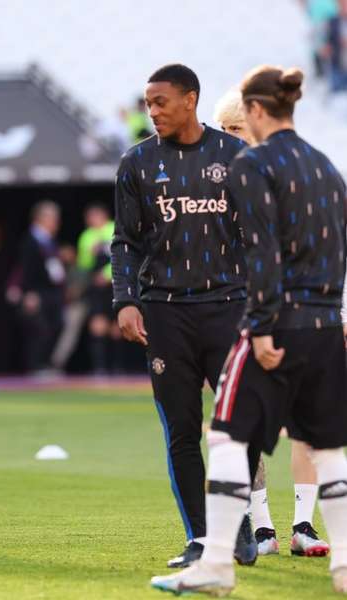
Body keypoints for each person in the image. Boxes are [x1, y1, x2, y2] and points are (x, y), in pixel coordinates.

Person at [150, 65, 347, 596]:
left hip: (275, 321)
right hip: (327, 324)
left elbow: (261, 254)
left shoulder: (254, 164)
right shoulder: (326, 167)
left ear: (256, 111)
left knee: (227, 435)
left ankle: (216, 560)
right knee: (328, 446)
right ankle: (345, 566)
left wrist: (259, 328)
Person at [111, 63, 256, 569]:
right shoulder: (136, 164)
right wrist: (126, 299)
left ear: (190, 99)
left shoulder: (235, 156)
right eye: (148, 103)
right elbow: (125, 241)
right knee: (181, 431)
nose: (152, 112)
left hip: (229, 308)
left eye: (161, 102)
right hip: (165, 313)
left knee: (242, 428)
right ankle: (201, 536)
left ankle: (238, 522)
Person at [213, 88, 329, 557]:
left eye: (233, 129)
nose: (226, 139)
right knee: (248, 423)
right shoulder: (220, 184)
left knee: (306, 422)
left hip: (298, 313)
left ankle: (305, 525)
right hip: (239, 314)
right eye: (221, 130)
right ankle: (263, 527)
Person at [18, 201, 65, 373]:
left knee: (56, 326)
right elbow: (24, 269)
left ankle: (45, 364)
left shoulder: (50, 240)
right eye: (53, 219)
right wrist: (29, 292)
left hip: (52, 291)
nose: (56, 223)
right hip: (37, 292)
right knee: (39, 330)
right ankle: (35, 366)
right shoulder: (29, 240)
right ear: (42, 219)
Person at [76, 203, 115, 372]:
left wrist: (107, 275)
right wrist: (89, 254)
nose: (91, 220)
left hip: (115, 285)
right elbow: (84, 265)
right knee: (98, 325)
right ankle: (100, 368)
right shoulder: (86, 236)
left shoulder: (114, 228)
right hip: (97, 289)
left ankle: (118, 368)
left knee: (116, 327)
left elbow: (123, 257)